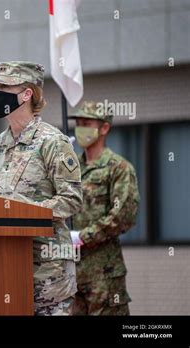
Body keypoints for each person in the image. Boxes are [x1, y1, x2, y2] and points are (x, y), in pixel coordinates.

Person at [0, 61, 82, 315]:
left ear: (27, 94)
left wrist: (26, 211)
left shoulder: (52, 142)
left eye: (4, 88)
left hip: (48, 272)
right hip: (6, 267)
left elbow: (72, 200)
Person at [69, 101, 140, 315]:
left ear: (104, 128)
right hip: (72, 272)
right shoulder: (70, 168)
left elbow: (123, 216)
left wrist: (83, 236)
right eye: (79, 123)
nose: (81, 128)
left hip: (104, 273)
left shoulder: (118, 168)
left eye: (87, 123)